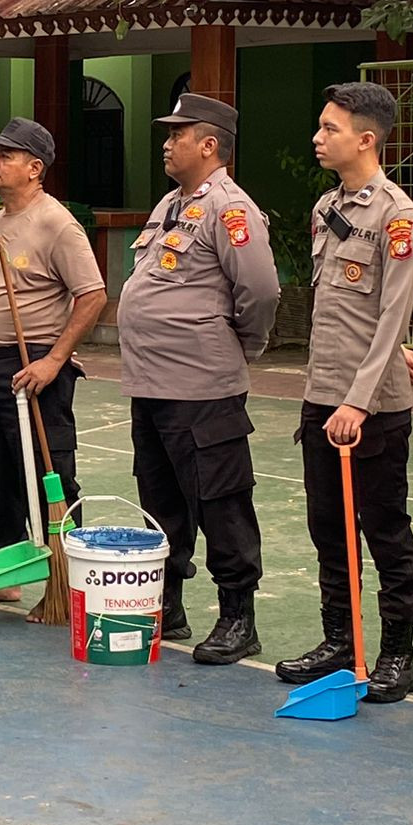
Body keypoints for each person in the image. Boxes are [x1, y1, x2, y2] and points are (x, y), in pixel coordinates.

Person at [273, 83, 413, 702]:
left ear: (366, 139)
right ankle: (340, 640)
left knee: (385, 529)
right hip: (322, 394)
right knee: (329, 529)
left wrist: (359, 400)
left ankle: (397, 653)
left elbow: (394, 313)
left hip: (372, 408)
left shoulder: (397, 216)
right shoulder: (326, 208)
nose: (318, 138)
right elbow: (342, 312)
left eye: (330, 128)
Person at [118, 93, 278, 658]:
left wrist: (241, 346)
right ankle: (169, 604)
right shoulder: (171, 204)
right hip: (151, 383)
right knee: (160, 499)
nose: (167, 144)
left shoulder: (230, 209)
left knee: (220, 500)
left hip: (202, 386)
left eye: (177, 134)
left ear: (209, 145)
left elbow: (260, 292)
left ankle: (238, 617)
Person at [0, 117, 106, 617]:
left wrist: (54, 360)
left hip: (32, 369)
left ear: (35, 168)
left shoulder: (57, 223)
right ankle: (6, 577)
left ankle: (70, 585)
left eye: (6, 155)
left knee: (47, 476)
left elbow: (93, 294)